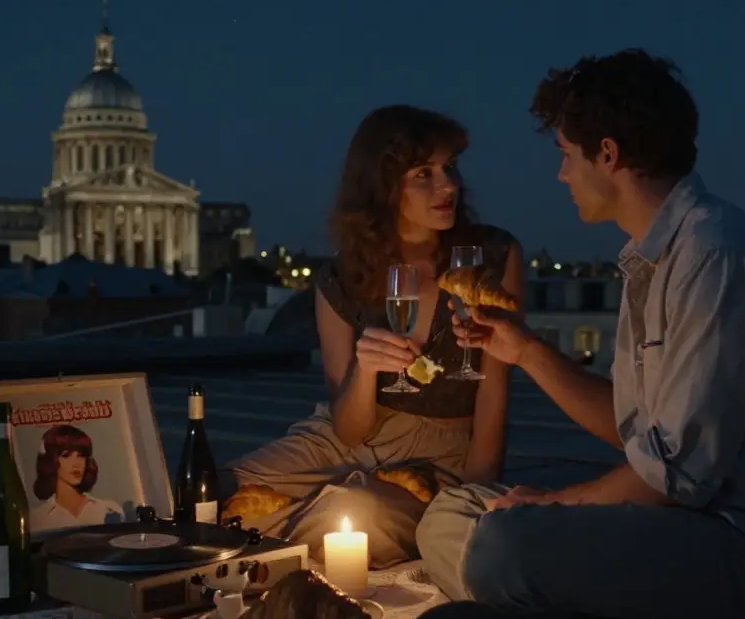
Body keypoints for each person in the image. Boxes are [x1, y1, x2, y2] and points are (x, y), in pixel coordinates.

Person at [409, 50, 745, 619]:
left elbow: (677, 476)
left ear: (608, 155)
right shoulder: (651, 261)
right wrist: (525, 351)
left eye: (567, 153)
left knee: (504, 544)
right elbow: (634, 428)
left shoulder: (716, 256)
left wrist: (552, 505)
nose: (561, 174)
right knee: (451, 512)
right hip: (676, 527)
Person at [219, 104, 525, 567]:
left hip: (440, 446)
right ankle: (272, 536)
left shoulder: (490, 256)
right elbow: (348, 428)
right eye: (423, 174)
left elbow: (493, 399)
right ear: (382, 185)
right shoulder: (341, 279)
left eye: (450, 167)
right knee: (214, 489)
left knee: (358, 515)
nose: (448, 185)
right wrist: (364, 372)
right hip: (343, 437)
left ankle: (279, 541)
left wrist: (475, 502)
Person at [30, 424, 123, 532]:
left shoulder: (109, 510)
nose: (76, 464)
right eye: (66, 455)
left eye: (81, 456)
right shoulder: (38, 519)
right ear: (51, 460)